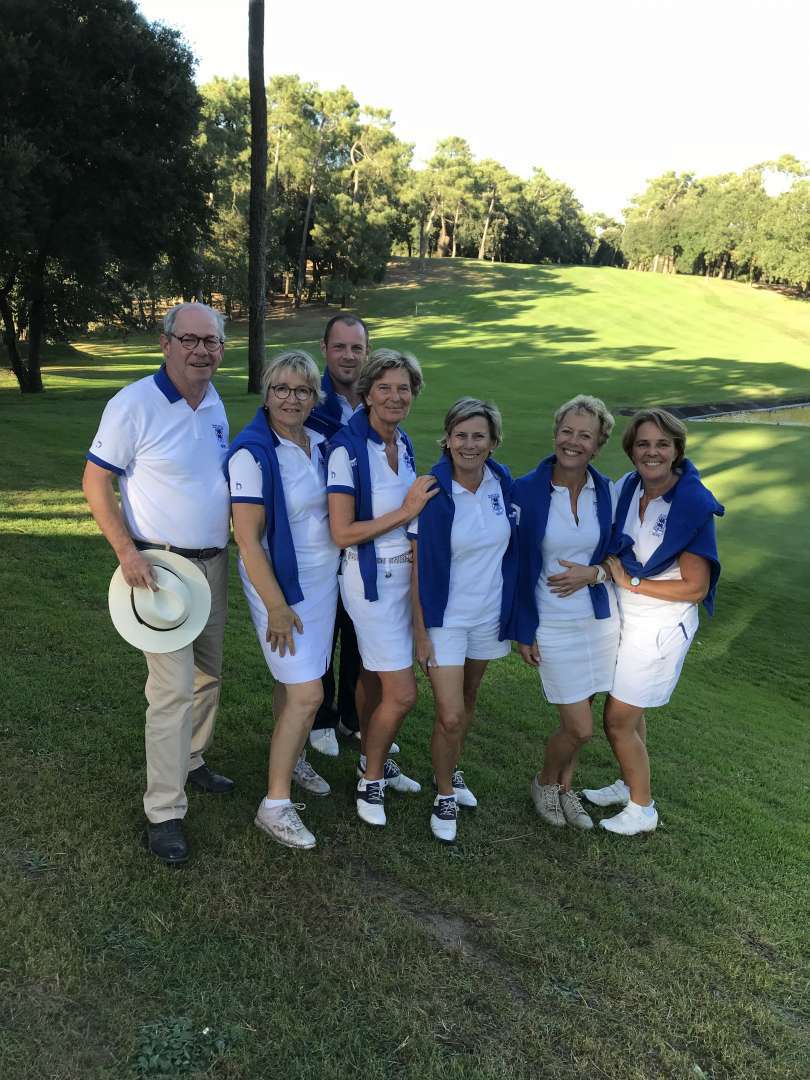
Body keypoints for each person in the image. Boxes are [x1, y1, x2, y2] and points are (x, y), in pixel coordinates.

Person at [82, 302, 232, 865]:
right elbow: (95, 483)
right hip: (160, 570)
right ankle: (164, 811)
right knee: (170, 691)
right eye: (189, 340)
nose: (201, 351)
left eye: (211, 342)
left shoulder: (213, 401)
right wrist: (126, 552)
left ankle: (191, 760)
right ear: (165, 343)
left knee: (207, 674)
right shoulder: (134, 404)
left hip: (212, 563)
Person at [583, 408, 723, 835]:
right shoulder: (628, 487)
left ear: (677, 449)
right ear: (631, 450)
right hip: (630, 617)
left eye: (662, 444)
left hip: (661, 625)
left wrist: (635, 582)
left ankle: (642, 809)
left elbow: (695, 588)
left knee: (618, 718)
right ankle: (629, 783)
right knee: (631, 709)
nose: (652, 452)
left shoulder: (691, 503)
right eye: (643, 443)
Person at [227, 350, 340, 850]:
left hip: (323, 582)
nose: (291, 398)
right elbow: (248, 541)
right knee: (308, 693)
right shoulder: (252, 453)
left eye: (302, 390)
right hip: (277, 584)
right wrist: (274, 604)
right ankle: (274, 805)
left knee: (290, 684)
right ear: (266, 393)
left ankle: (290, 761)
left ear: (314, 396)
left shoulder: (320, 442)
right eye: (281, 389)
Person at [327, 349, 438, 826]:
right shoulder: (345, 449)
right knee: (404, 693)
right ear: (368, 392)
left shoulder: (403, 441)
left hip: (402, 578)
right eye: (386, 387)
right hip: (368, 581)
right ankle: (370, 780)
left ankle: (369, 758)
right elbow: (342, 532)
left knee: (373, 676)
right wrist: (406, 513)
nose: (396, 396)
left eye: (404, 388)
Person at [410, 398, 518, 842]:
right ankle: (444, 793)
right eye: (461, 435)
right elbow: (417, 564)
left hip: (488, 616)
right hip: (445, 620)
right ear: (448, 439)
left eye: (479, 436)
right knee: (450, 714)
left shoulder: (502, 482)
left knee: (469, 698)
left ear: (492, 443)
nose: (469, 444)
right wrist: (419, 632)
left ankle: (452, 772)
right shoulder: (431, 489)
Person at [510, 395, 619, 832]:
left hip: (599, 622)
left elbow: (619, 555)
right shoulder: (524, 490)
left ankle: (565, 788)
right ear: (556, 433)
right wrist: (523, 627)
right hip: (551, 622)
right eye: (567, 431)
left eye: (584, 435)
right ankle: (543, 782)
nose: (572, 442)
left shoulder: (607, 491)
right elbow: (514, 565)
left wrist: (593, 573)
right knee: (580, 727)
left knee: (586, 714)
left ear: (598, 445)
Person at [304, 314, 369, 757]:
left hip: (367, 536)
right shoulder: (310, 402)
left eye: (357, 348)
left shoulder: (374, 400)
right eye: (340, 347)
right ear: (325, 349)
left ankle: (351, 713)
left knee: (359, 627)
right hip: (322, 536)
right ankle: (321, 716)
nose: (349, 356)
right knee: (325, 629)